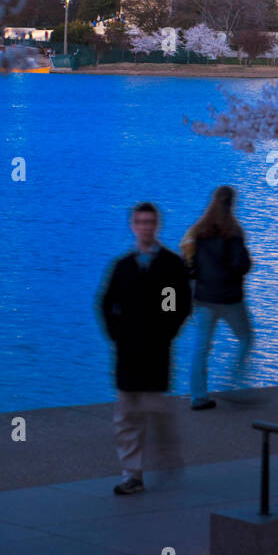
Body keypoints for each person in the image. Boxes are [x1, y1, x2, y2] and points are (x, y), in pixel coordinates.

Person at [98, 202, 192, 495]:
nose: (145, 227)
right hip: (127, 349)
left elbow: (177, 305)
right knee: (127, 413)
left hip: (155, 348)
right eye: (140, 222)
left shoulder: (170, 265)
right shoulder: (123, 266)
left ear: (157, 225)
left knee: (153, 405)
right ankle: (133, 473)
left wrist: (166, 333)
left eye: (150, 222)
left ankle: (164, 453)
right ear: (133, 226)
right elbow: (106, 303)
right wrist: (117, 334)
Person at [181, 185, 253, 410]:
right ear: (232, 204)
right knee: (245, 337)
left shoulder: (198, 232)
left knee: (201, 346)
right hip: (230, 298)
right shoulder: (234, 232)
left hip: (204, 297)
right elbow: (240, 265)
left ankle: (198, 396)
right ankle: (232, 381)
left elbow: (188, 265)